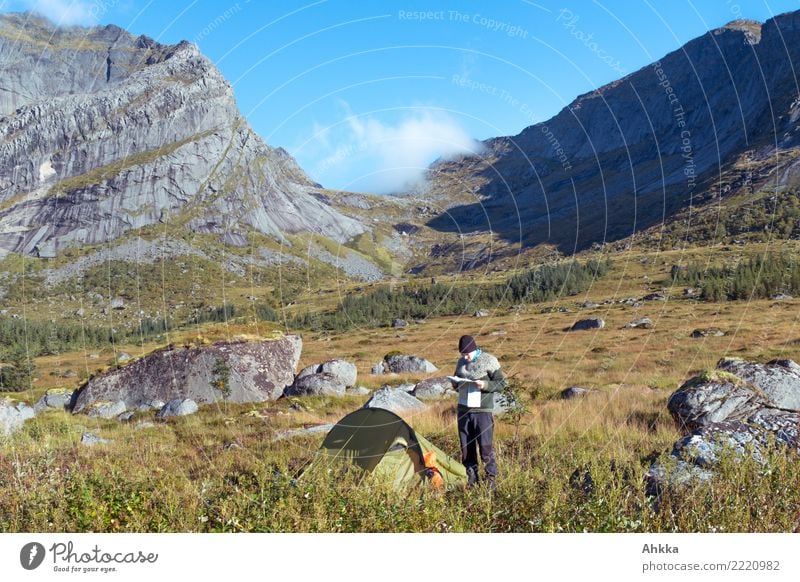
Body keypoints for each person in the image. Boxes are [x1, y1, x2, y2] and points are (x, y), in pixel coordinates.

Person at [452, 334, 507, 489]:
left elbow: (502, 384)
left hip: (482, 412)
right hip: (463, 411)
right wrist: (455, 384)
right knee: (466, 448)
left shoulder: (490, 360)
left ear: (474, 349)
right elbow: (457, 382)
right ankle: (472, 479)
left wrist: (485, 385)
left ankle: (491, 481)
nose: (465, 357)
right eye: (462, 354)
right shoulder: (461, 362)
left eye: (467, 353)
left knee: (485, 447)